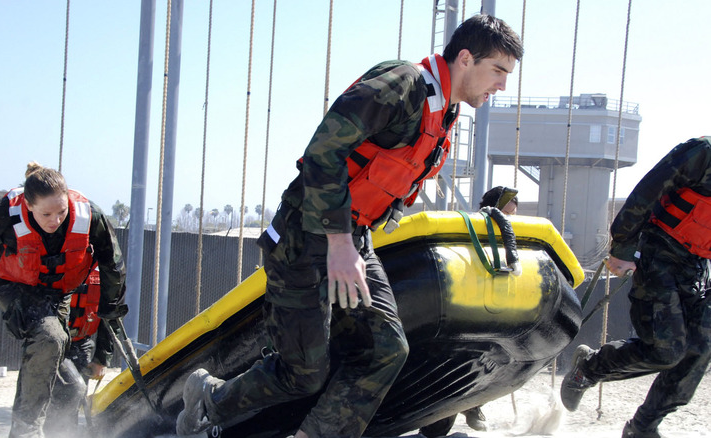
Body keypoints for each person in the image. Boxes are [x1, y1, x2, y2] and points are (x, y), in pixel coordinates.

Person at [177, 14, 523, 438]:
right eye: (499, 72)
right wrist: (339, 243)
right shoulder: (402, 84)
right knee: (303, 373)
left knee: (385, 350)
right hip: (304, 238)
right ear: (466, 58)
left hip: (354, 241)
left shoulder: (444, 115)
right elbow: (323, 151)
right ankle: (210, 396)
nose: (503, 86)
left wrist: (352, 242)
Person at [0, 162, 127, 438]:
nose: (55, 220)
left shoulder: (90, 217)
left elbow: (114, 270)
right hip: (14, 285)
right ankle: (26, 431)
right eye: (46, 213)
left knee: (68, 379)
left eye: (62, 211)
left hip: (56, 294)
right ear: (29, 205)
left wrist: (107, 330)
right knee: (50, 337)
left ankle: (52, 430)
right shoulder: (1, 216)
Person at [560, 137, 711, 438]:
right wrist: (624, 246)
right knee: (665, 351)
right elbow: (649, 190)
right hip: (660, 252)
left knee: (700, 348)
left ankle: (642, 428)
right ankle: (588, 368)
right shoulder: (703, 154)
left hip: (698, 265)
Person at [0, 248, 112, 433]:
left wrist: (101, 358)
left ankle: (61, 434)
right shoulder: (54, 250)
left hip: (82, 343)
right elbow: (5, 255)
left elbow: (111, 316)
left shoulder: (107, 269)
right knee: (59, 392)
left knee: (72, 400)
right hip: (50, 342)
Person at [418, 185, 519, 437]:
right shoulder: (469, 232)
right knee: (453, 369)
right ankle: (437, 427)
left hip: (496, 310)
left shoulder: (516, 241)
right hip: (464, 310)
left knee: (492, 363)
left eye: (513, 215)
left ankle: (474, 405)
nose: (509, 220)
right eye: (506, 213)